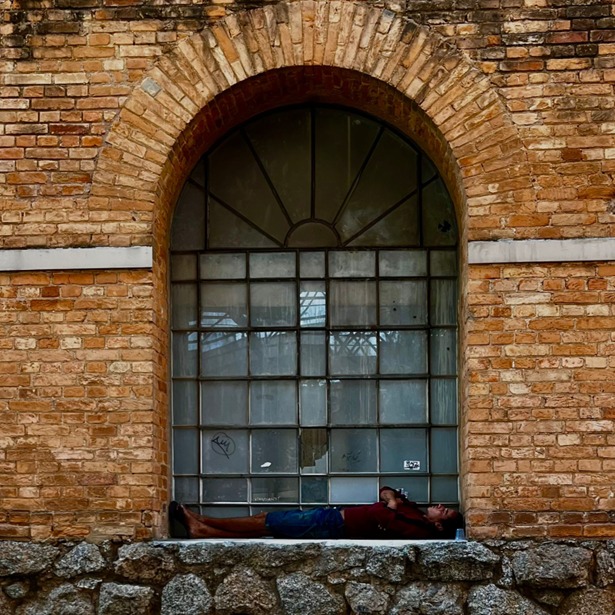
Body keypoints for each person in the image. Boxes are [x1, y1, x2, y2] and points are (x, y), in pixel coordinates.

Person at [169, 486, 464, 540]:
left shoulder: (420, 530)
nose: (440, 506)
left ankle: (202, 525)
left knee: (267, 522)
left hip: (332, 526)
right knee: (266, 523)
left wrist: (392, 505)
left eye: (445, 512)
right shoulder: (414, 512)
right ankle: (202, 526)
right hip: (333, 516)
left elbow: (386, 518)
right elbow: (386, 491)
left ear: (440, 527)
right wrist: (392, 502)